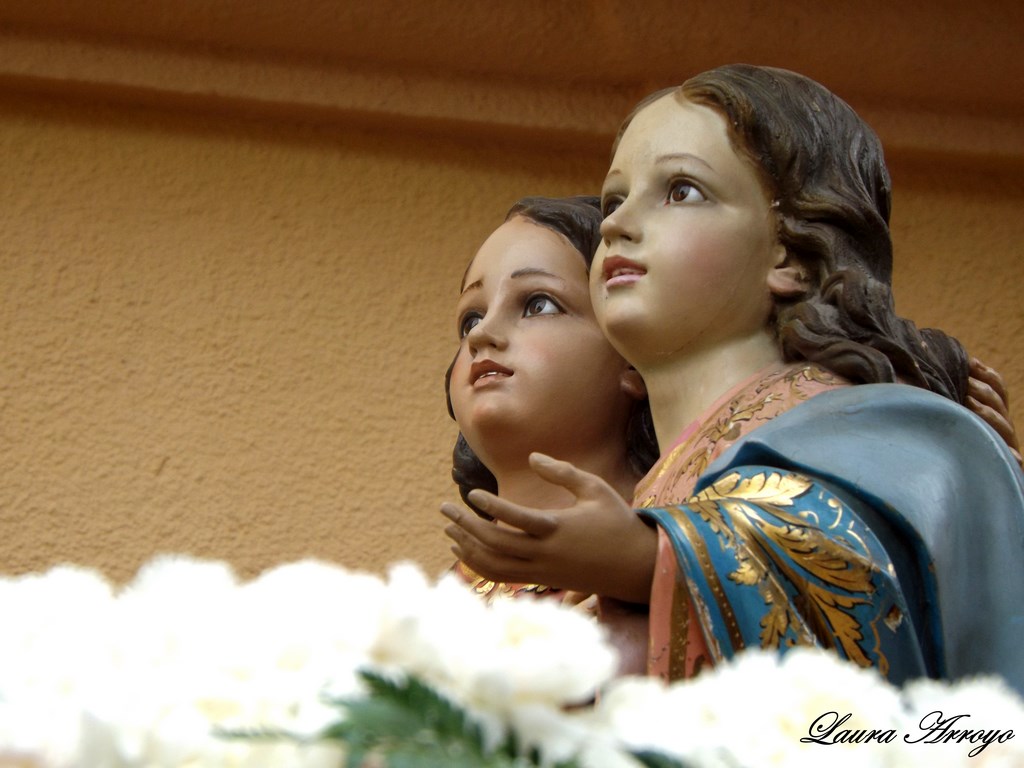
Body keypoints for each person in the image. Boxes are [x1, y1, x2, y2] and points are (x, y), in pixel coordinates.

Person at [443, 64, 1024, 693]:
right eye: (614, 200)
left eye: (681, 190)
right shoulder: (666, 490)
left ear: (789, 252)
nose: (615, 224)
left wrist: (649, 560)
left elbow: (851, 569)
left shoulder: (873, 429)